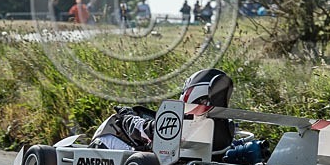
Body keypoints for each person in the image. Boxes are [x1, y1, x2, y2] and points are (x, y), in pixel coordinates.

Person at [90, 69, 240, 155]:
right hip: (204, 160)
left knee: (106, 135)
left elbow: (144, 130)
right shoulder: (227, 127)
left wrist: (126, 116)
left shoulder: (180, 121)